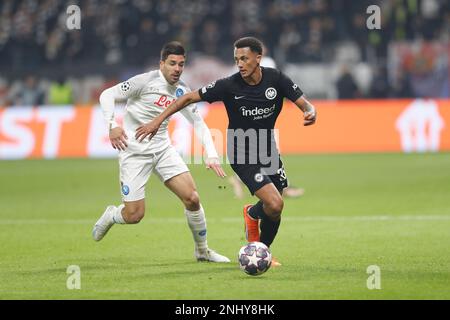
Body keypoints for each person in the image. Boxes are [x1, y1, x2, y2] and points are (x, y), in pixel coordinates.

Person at [136, 37, 317, 266]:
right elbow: (189, 97)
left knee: (274, 207)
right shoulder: (229, 85)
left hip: (269, 151)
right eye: (236, 59)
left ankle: (256, 231)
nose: (240, 64)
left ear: (258, 58)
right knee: (275, 204)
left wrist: (310, 111)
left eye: (244, 58)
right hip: (242, 153)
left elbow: (304, 104)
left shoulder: (276, 79)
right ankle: (259, 250)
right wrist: (157, 121)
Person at [92, 41, 230, 263]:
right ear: (162, 64)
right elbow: (106, 95)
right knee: (134, 215)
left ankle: (202, 251)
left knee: (192, 198)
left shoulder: (182, 91)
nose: (177, 68)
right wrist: (112, 125)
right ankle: (112, 215)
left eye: (181, 64)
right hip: (134, 152)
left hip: (163, 149)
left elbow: (198, 123)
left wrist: (211, 153)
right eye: (172, 63)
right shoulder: (144, 81)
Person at [228, 44, 306, 200]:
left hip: (261, 115)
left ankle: (240, 180)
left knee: (262, 156)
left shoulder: (244, 68)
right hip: (258, 118)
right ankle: (283, 188)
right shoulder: (268, 63)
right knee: (268, 155)